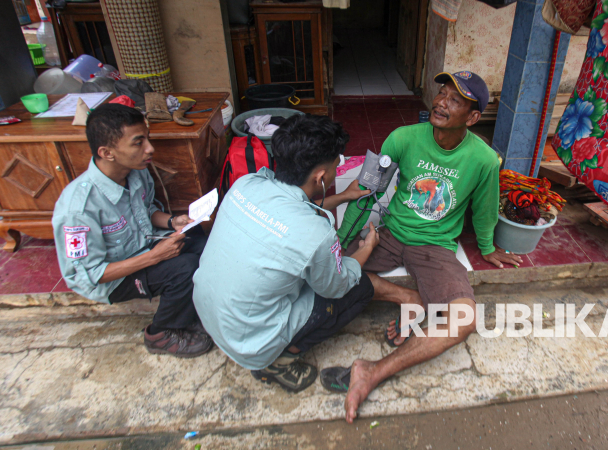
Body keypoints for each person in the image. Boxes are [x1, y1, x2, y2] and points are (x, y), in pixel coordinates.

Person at [325, 71, 523, 422]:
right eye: (441, 93)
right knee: (327, 275)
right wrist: (341, 245)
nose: (440, 102)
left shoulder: (484, 159)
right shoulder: (403, 138)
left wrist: (488, 247)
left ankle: (372, 371)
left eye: (454, 100)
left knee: (464, 320)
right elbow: (366, 190)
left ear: (473, 117)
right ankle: (410, 299)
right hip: (389, 234)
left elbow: (485, 208)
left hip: (435, 248)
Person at [193, 115, 423, 393]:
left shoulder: (246, 185)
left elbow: (291, 204)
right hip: (251, 344)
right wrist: (367, 248)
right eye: (336, 168)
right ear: (320, 177)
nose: (337, 173)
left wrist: (342, 197)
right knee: (358, 286)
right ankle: (277, 362)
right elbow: (337, 286)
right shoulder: (317, 233)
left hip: (211, 317)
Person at [52, 104, 212, 358]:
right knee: (185, 268)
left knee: (199, 240)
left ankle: (193, 308)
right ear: (108, 152)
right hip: (113, 278)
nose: (150, 148)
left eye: (147, 138)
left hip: (141, 248)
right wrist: (156, 256)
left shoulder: (135, 173)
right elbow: (90, 274)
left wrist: (173, 222)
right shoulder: (78, 209)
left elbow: (145, 213)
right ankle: (160, 333)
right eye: (139, 142)